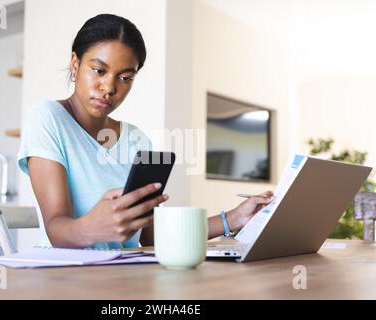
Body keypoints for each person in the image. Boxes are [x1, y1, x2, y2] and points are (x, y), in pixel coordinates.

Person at [18, 13, 273, 250]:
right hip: (68, 280)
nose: (109, 87)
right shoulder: (47, 118)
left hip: (127, 278)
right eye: (99, 70)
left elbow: (153, 236)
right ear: (75, 64)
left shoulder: (137, 139)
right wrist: (93, 227)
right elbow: (56, 229)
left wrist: (236, 217)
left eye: (125, 78)